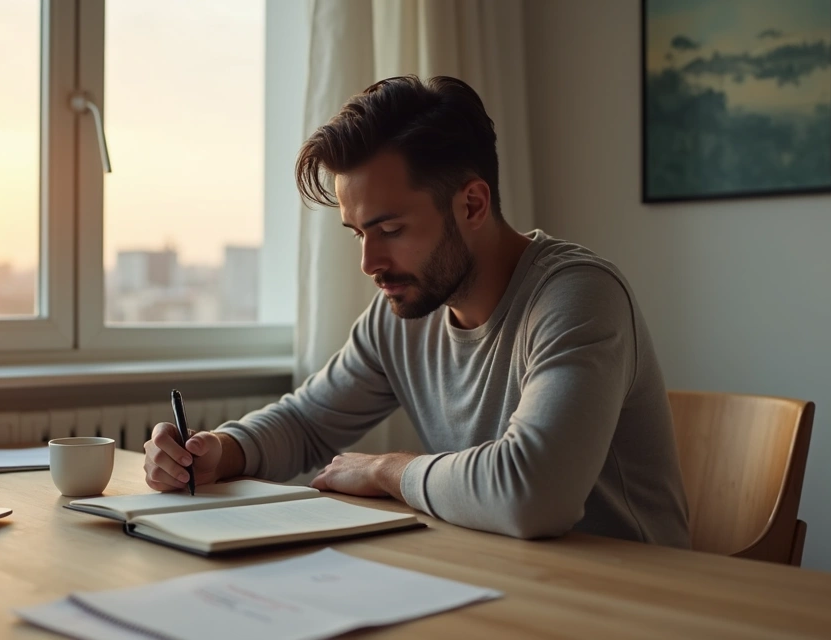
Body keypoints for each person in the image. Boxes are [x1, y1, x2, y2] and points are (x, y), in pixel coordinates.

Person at [144, 75, 690, 546]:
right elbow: (308, 423)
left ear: (472, 204)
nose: (369, 262)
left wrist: (387, 469)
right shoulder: (404, 310)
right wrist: (219, 450)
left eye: (391, 230)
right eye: (358, 233)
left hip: (636, 601)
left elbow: (534, 493)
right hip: (498, 576)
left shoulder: (578, 297)